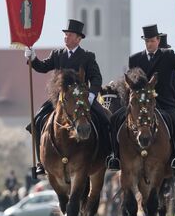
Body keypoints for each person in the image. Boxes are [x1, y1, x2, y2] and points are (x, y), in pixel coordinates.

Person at [26, 19, 114, 175]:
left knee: (106, 118)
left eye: (69, 35)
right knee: (37, 121)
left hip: (82, 99)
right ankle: (41, 161)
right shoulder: (58, 54)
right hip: (60, 99)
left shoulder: (87, 56)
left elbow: (96, 78)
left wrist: (92, 95)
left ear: (78, 38)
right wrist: (32, 58)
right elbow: (43, 67)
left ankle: (110, 155)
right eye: (65, 34)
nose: (66, 37)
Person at [113, 24, 175, 175]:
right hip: (140, 104)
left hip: (164, 103)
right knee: (115, 119)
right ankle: (115, 157)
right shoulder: (134, 59)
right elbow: (130, 81)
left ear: (158, 40)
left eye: (152, 41)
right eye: (147, 41)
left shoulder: (168, 55)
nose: (149, 44)